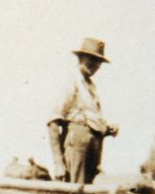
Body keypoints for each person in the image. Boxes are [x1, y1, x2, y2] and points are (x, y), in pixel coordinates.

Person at [47, 37, 118, 183]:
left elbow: (91, 120)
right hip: (76, 143)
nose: (94, 64)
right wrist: (58, 163)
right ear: (80, 57)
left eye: (98, 61)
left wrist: (107, 129)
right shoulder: (70, 81)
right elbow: (53, 121)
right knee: (75, 193)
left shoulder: (91, 87)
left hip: (94, 146)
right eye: (90, 58)